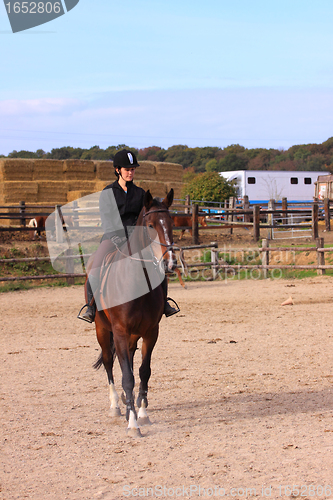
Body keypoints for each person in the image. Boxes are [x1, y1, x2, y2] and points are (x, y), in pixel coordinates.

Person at [78, 148, 180, 323]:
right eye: (127, 169)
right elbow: (107, 219)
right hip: (112, 237)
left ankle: (164, 302)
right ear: (118, 170)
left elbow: (144, 218)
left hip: (137, 239)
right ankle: (91, 306)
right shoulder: (108, 192)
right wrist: (118, 238)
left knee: (158, 266)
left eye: (133, 169)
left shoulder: (140, 194)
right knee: (95, 265)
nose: (130, 172)